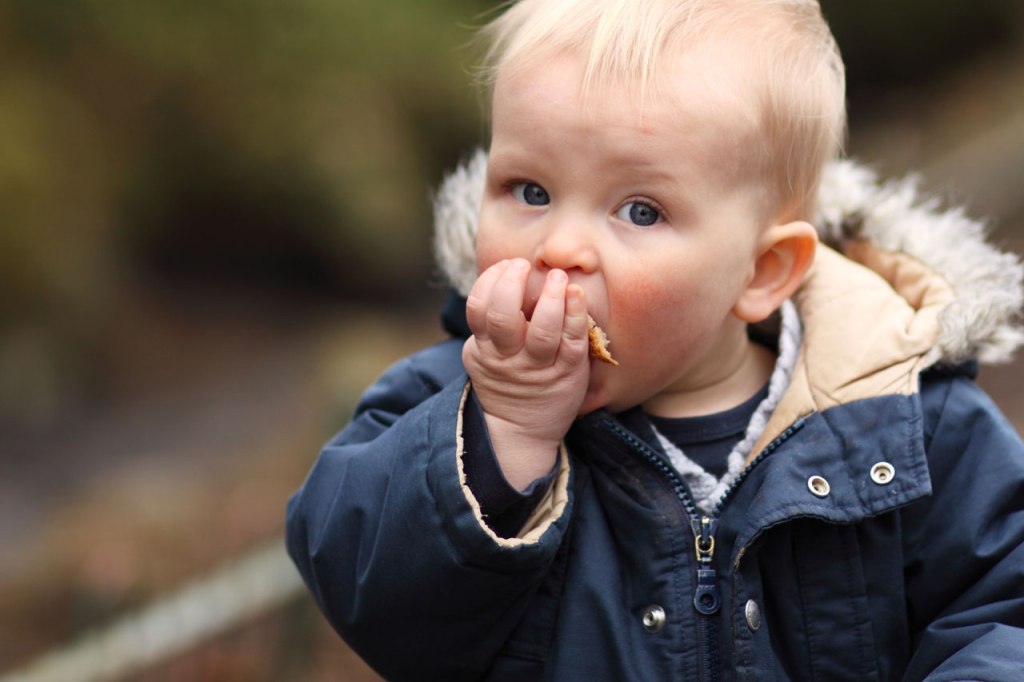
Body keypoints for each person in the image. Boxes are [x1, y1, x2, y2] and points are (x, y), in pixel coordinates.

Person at [286, 0, 1024, 679]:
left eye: (639, 211)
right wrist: (502, 433)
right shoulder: (447, 406)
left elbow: (1002, 610)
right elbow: (364, 592)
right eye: (531, 191)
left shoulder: (907, 424)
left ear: (761, 271)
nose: (559, 248)